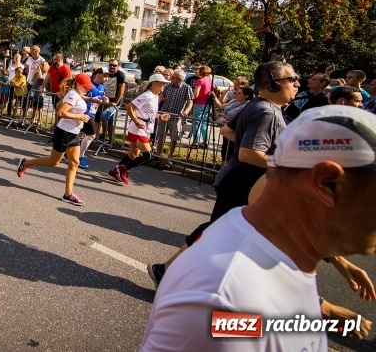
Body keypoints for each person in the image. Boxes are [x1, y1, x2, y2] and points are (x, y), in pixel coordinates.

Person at [140, 106, 376, 351]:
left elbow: (263, 318)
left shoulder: (270, 250)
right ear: (328, 184)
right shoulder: (223, 296)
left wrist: (323, 309)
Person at [147, 61, 298, 289]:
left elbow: (227, 130)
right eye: (292, 79)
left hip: (243, 181)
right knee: (218, 233)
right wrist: (286, 164)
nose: (297, 83)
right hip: (243, 182)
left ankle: (183, 276)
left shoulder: (258, 105)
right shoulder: (265, 111)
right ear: (274, 84)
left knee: (227, 235)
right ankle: (170, 273)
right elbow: (248, 153)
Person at [16, 74, 95, 206]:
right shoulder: (73, 95)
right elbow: (61, 113)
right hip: (64, 133)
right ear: (79, 85)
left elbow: (62, 105)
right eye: (86, 86)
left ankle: (68, 194)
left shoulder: (76, 93)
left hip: (73, 134)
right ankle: (26, 163)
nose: (88, 89)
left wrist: (94, 100)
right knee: (53, 162)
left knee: (74, 162)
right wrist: (80, 116)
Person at [107, 74, 172, 184]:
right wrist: (137, 122)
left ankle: (115, 171)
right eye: (162, 84)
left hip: (144, 128)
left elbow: (150, 113)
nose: (163, 87)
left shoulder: (155, 96)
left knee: (133, 155)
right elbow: (129, 107)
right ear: (154, 84)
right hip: (138, 128)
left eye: (164, 85)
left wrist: (160, 116)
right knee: (148, 155)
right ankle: (124, 168)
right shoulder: (147, 95)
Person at [153, 69, 194, 169]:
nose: (171, 78)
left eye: (173, 77)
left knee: (174, 138)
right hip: (164, 114)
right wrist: (155, 106)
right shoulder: (168, 85)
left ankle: (170, 158)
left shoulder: (186, 88)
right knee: (161, 135)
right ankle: (158, 155)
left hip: (175, 116)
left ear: (179, 79)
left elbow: (190, 101)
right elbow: (161, 95)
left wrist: (186, 111)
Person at [78, 67, 110, 168]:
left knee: (79, 133)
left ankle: (67, 152)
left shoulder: (102, 87)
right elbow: (80, 96)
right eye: (105, 76)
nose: (106, 78)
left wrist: (106, 99)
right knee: (91, 135)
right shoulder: (88, 84)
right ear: (98, 74)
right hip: (85, 112)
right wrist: (91, 99)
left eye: (107, 76)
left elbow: (101, 97)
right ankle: (79, 156)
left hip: (93, 113)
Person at [98, 59, 126, 141]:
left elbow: (122, 89)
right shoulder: (106, 73)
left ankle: (108, 138)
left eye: (114, 65)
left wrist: (116, 102)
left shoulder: (120, 74)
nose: (112, 67)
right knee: (107, 120)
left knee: (104, 116)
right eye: (110, 65)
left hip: (115, 101)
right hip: (105, 100)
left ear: (118, 66)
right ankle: (106, 137)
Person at [190, 65, 213, 147]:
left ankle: (195, 141)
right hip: (207, 104)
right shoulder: (210, 81)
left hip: (199, 103)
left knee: (196, 123)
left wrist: (191, 94)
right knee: (204, 123)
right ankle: (205, 141)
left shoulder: (200, 81)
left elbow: (196, 94)